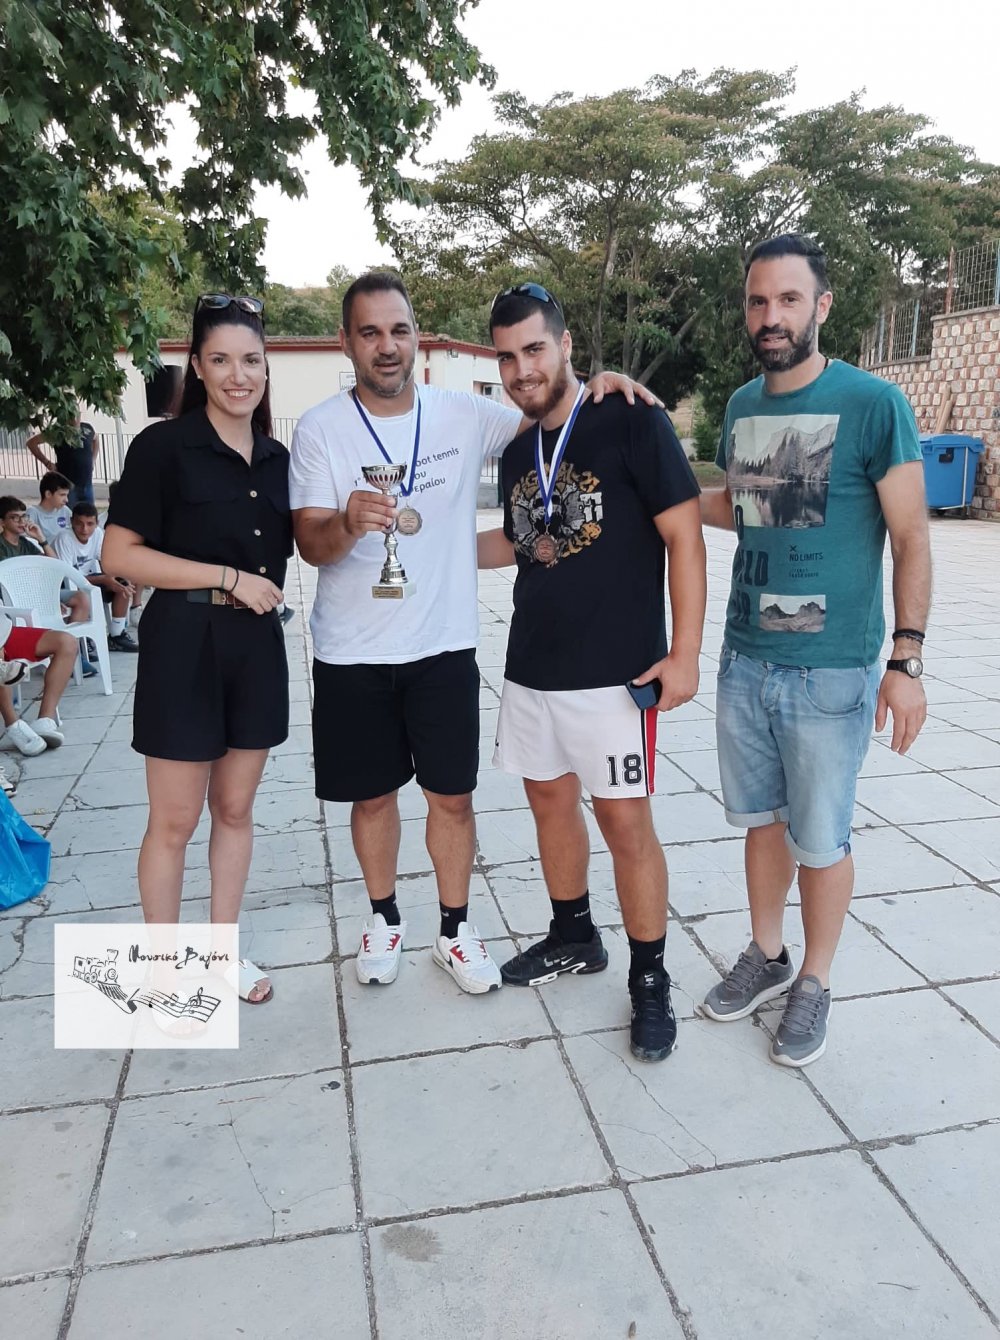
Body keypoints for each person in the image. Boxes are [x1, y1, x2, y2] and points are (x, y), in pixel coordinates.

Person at [290, 271, 659, 995]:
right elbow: (308, 542)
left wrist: (596, 380)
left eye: (399, 330)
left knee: (452, 799)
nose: (387, 346)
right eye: (370, 333)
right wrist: (345, 524)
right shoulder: (320, 429)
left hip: (444, 646)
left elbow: (550, 409)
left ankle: (455, 929)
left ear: (416, 336)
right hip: (352, 649)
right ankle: (384, 916)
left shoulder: (462, 414)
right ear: (346, 342)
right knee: (371, 799)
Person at [698, 234, 930, 1068]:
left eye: (788, 300)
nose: (771, 316)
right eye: (758, 301)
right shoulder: (739, 406)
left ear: (821, 306)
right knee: (761, 823)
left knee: (821, 838)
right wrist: (672, 498)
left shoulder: (872, 405)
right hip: (745, 659)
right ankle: (767, 955)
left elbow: (910, 536)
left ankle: (817, 981)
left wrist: (904, 662)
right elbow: (755, 505)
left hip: (831, 669)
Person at [478, 284, 706, 1061]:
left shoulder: (631, 418)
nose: (521, 369)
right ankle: (574, 934)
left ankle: (650, 979)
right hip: (532, 668)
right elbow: (518, 542)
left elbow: (685, 539)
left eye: (534, 349)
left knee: (625, 824)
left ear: (566, 345)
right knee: (548, 805)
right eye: (507, 356)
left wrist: (686, 654)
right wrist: (414, 536)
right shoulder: (516, 450)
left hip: (617, 672)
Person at [102, 292, 292, 1007]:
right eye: (221, 360)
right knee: (175, 820)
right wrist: (227, 577)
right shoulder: (163, 447)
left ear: (265, 367)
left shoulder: (277, 459)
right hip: (184, 643)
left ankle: (220, 953)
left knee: (236, 810)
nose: (238, 374)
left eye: (251, 360)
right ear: (200, 369)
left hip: (255, 649)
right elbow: (121, 554)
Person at [54, 502, 139, 651]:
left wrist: (114, 577)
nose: (85, 529)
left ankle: (116, 635)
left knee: (123, 582)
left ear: (97, 523)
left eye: (89, 524)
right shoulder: (64, 539)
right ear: (72, 521)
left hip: (90, 580)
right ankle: (82, 640)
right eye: (79, 524)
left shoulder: (98, 534)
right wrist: (104, 579)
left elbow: (107, 563)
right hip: (67, 585)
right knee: (103, 585)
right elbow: (67, 576)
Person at [27, 411, 100, 506]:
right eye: (71, 414)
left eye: (76, 413)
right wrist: (47, 463)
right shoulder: (58, 431)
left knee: (90, 516)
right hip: (68, 486)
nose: (74, 418)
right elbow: (31, 443)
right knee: (68, 517)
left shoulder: (87, 428)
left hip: (87, 485)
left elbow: (96, 439)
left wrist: (93, 460)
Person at [26, 472, 73, 544]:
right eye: (62, 495)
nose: (66, 500)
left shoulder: (65, 510)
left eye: (67, 495)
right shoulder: (33, 513)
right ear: (48, 494)